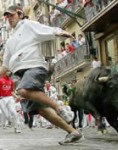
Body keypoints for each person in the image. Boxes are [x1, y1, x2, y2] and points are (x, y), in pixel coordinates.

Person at [1, 5, 83, 145]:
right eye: (7, 16)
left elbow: (45, 29)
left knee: (22, 90)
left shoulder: (27, 25)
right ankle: (73, 132)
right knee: (41, 110)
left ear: (20, 14)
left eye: (11, 15)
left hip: (34, 67)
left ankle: (60, 108)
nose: (9, 18)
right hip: (22, 73)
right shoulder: (9, 41)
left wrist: (61, 32)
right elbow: (6, 66)